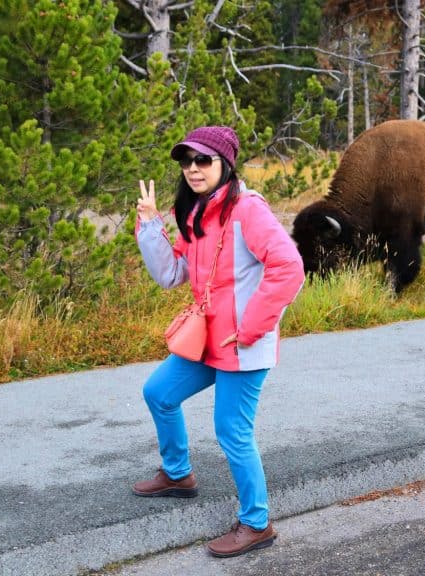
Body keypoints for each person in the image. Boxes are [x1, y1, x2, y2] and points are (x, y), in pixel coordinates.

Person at [132, 126, 305, 558]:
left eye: (202, 160)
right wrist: (151, 225)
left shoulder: (249, 211)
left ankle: (257, 522)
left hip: (244, 344)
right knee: (158, 393)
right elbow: (171, 274)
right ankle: (178, 474)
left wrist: (251, 328)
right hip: (206, 340)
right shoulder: (194, 212)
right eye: (186, 161)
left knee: (231, 432)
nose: (193, 169)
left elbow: (290, 268)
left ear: (224, 164)